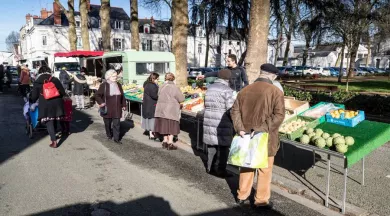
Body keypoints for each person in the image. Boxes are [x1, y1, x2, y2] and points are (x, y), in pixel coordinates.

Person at [231, 63, 285, 210]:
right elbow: (279, 115)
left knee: (247, 166)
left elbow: (234, 111)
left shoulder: (244, 90)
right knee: (264, 169)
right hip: (266, 137)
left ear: (260, 73)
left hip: (246, 136)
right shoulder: (276, 92)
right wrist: (261, 129)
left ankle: (242, 196)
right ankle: (261, 201)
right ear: (273, 76)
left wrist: (240, 128)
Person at [203, 69, 235, 177]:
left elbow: (205, 104)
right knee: (224, 146)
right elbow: (230, 109)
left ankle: (210, 168)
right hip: (222, 121)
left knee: (211, 145)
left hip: (209, 119)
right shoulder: (227, 90)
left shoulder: (209, 88)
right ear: (228, 78)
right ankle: (221, 169)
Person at [30, 66, 67, 148]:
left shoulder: (38, 81)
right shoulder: (55, 79)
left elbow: (34, 96)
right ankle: (56, 132)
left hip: (45, 104)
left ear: (40, 72)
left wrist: (32, 100)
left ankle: (54, 141)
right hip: (57, 102)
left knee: (49, 122)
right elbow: (63, 92)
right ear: (49, 71)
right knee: (54, 119)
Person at [154, 72, 185, 150]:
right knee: (171, 126)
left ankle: (164, 141)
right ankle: (170, 143)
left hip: (161, 110)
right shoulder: (174, 87)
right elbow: (181, 99)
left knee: (164, 126)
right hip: (171, 110)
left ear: (165, 78)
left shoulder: (161, 86)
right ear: (173, 79)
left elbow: (158, 95)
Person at [95, 69, 126, 144]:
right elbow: (97, 95)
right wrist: (101, 103)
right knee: (107, 124)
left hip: (117, 108)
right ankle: (109, 135)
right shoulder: (104, 85)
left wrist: (124, 105)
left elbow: (122, 96)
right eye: (113, 76)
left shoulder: (118, 85)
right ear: (108, 77)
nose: (115, 77)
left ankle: (116, 139)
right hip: (107, 108)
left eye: (116, 76)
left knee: (117, 124)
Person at [142, 72, 159, 140]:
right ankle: (152, 135)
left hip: (147, 104)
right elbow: (155, 96)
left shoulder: (146, 84)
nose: (158, 80)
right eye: (157, 79)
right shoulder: (153, 85)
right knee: (152, 119)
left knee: (149, 119)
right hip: (152, 104)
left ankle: (150, 133)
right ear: (154, 78)